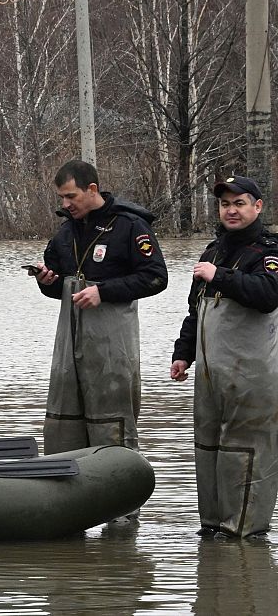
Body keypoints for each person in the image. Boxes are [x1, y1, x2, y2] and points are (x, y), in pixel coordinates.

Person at [32, 160, 168, 457]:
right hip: (69, 352)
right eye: (62, 198)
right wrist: (46, 281)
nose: (66, 204)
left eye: (71, 196)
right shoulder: (65, 233)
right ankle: (65, 499)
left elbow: (156, 277)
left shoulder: (130, 226)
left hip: (112, 354)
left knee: (112, 436)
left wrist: (103, 292)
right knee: (62, 432)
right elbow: (57, 286)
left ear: (92, 189)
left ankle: (122, 499)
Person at [169, 175, 278, 537]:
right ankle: (213, 531)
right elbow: (194, 311)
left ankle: (245, 534)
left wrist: (221, 277)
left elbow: (266, 295)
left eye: (239, 203)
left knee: (247, 450)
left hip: (254, 376)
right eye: (225, 204)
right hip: (211, 376)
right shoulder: (211, 251)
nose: (231, 210)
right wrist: (183, 354)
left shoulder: (270, 252)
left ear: (257, 207)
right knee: (209, 449)